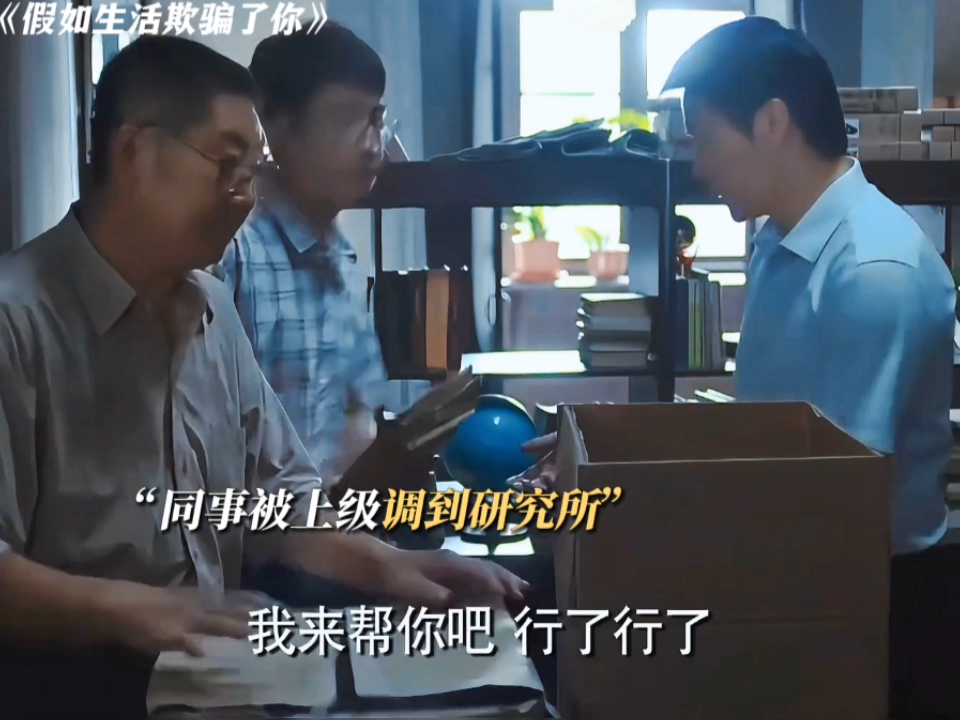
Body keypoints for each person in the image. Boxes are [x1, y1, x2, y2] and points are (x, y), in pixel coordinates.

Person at [0, 36, 524, 718]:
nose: (245, 197)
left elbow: (279, 502)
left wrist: (393, 567)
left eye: (252, 172)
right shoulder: (17, 321)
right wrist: (140, 611)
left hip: (214, 676)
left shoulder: (211, 306)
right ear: (134, 153)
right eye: (226, 166)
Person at [512, 17, 958, 717]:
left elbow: (831, 495)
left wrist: (623, 496)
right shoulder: (780, 241)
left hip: (872, 606)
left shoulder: (874, 269)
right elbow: (769, 438)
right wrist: (603, 454)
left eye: (707, 140)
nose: (700, 168)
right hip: (785, 573)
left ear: (772, 122)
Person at [210, 24, 387, 484]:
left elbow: (359, 413)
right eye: (347, 118)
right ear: (278, 127)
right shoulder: (232, 253)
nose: (373, 145)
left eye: (377, 119)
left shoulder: (342, 257)